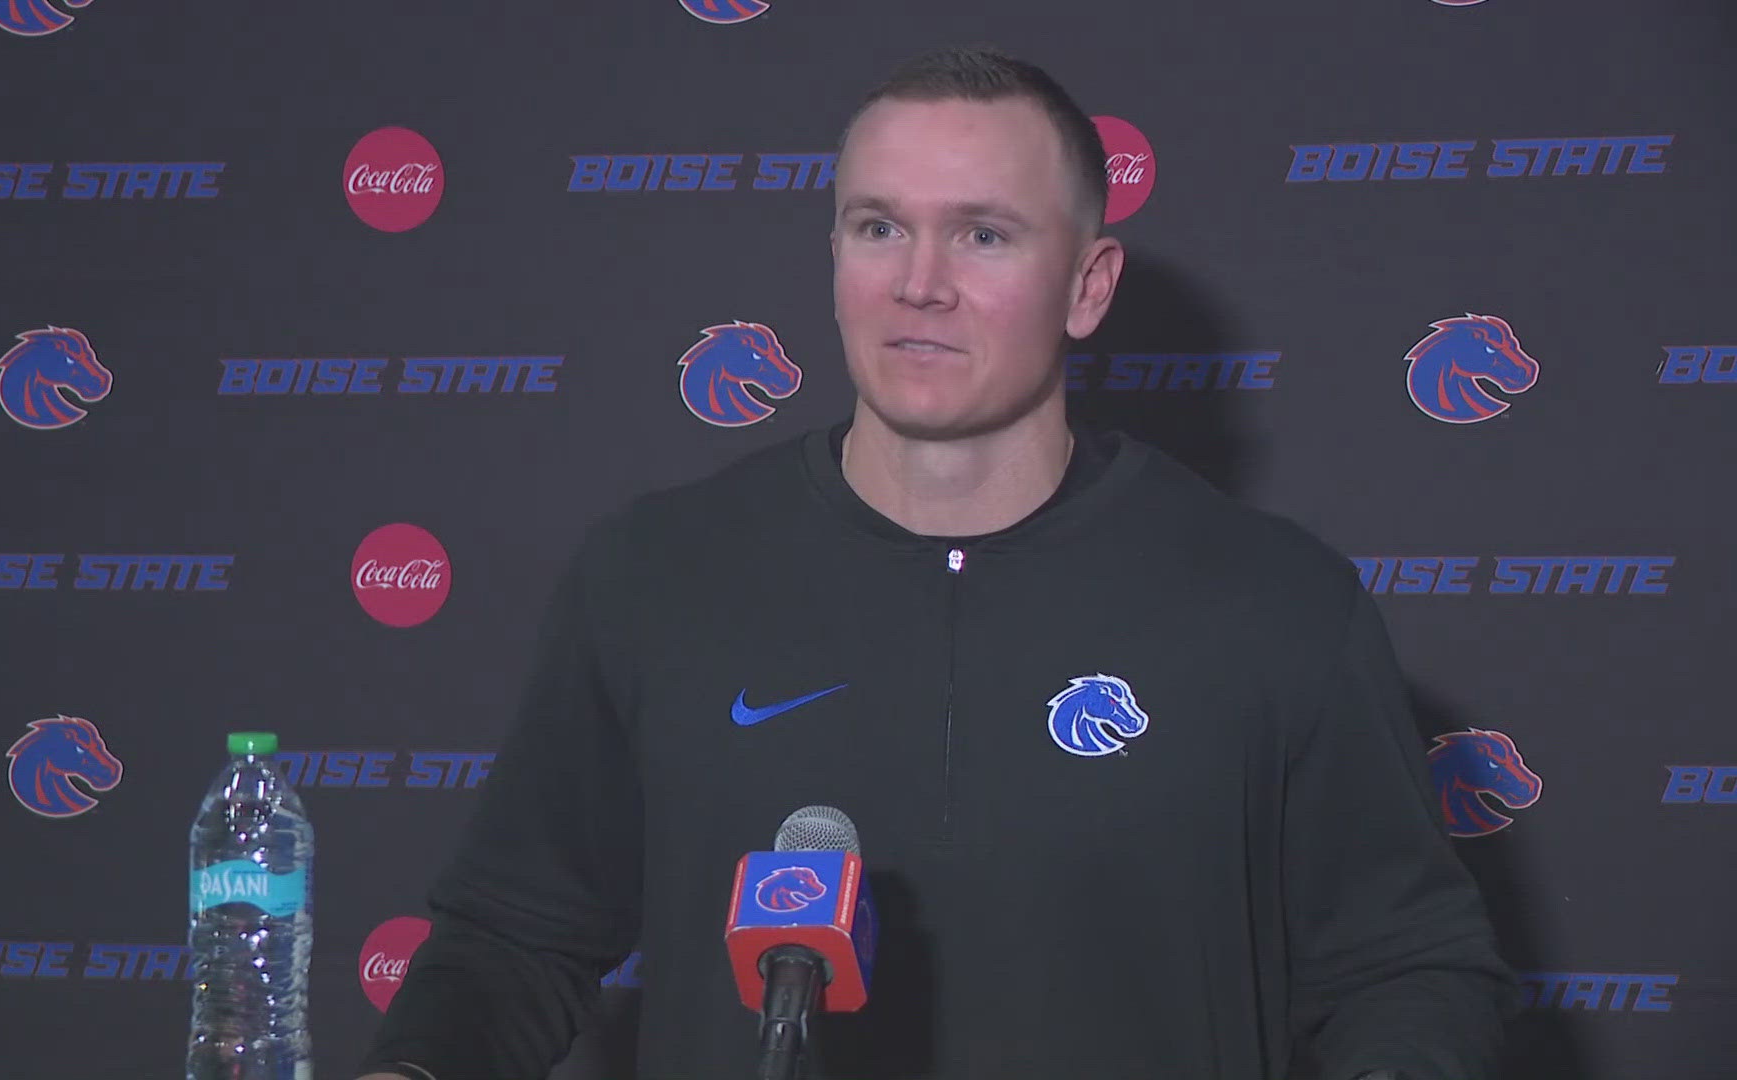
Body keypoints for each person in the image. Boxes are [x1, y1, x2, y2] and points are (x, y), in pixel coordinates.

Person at [357, 45, 1516, 1080]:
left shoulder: (1274, 601)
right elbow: (515, 938)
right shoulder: (653, 575)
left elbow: (1406, 970)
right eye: (878, 227)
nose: (920, 280)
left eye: (983, 233)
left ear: (1088, 286)